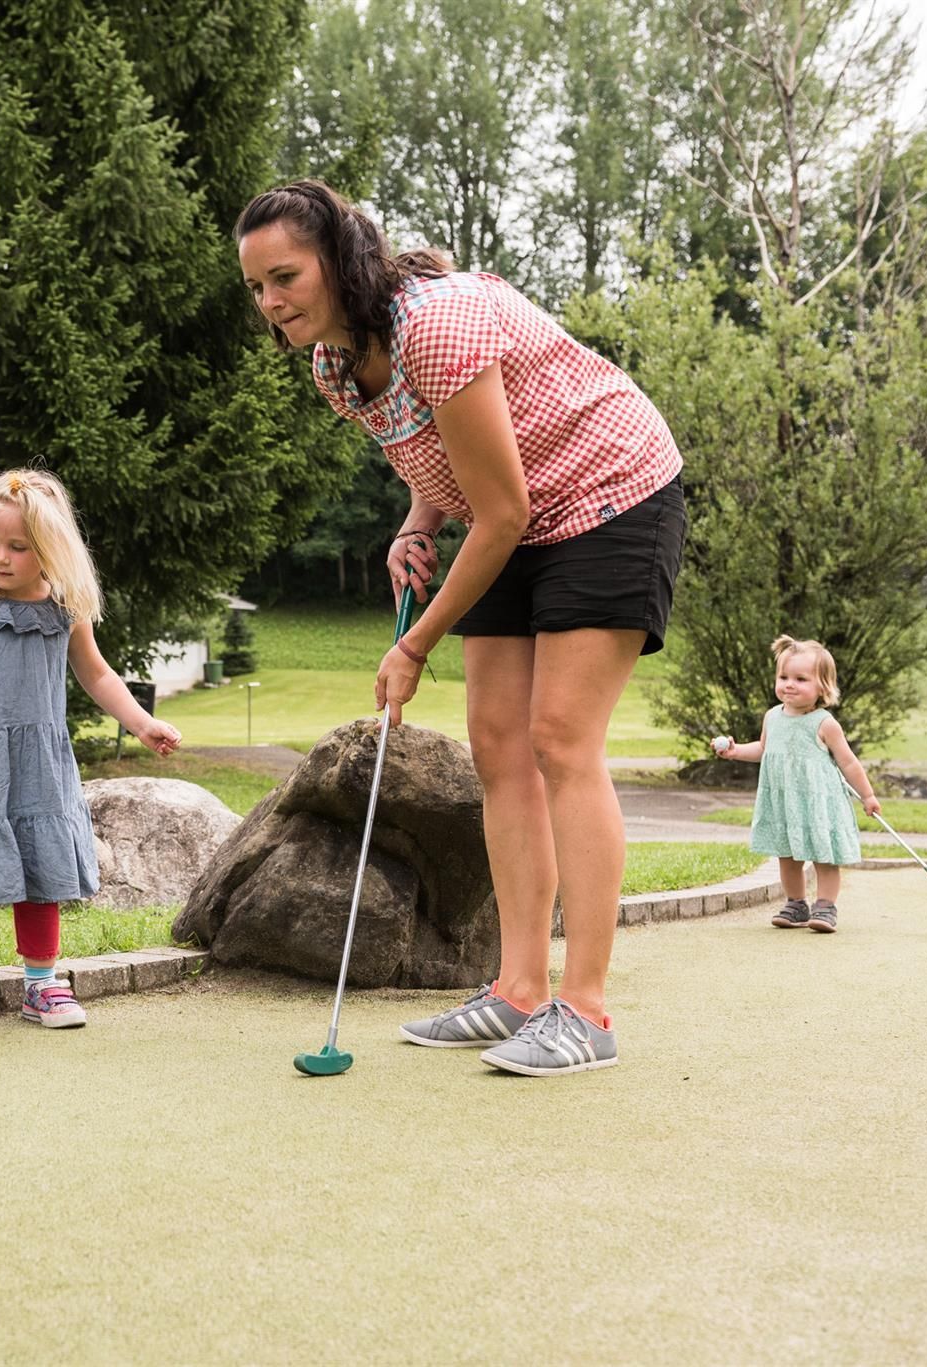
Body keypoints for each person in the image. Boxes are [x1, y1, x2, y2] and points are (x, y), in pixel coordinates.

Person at [235, 179, 686, 1077]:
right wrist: (415, 522)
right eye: (255, 288)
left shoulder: (434, 325)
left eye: (283, 277)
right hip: (514, 508)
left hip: (609, 493)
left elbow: (504, 506)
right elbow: (444, 458)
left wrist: (414, 643)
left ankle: (586, 1009)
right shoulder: (336, 366)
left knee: (559, 737)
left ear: (337, 260)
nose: (269, 303)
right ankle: (517, 989)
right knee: (497, 748)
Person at [0, 469, 180, 1036]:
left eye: (18, 547)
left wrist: (142, 722)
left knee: (40, 869)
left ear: (48, 549)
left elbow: (98, 676)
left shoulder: (65, 612)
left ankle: (41, 984)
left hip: (40, 764)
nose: (0, 557)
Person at [710, 635, 880, 933]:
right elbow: (764, 750)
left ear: (822, 687)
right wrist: (735, 752)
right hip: (783, 801)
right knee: (786, 855)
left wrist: (867, 795)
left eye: (800, 679)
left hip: (817, 802)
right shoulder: (772, 717)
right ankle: (796, 903)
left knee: (824, 855)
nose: (789, 684)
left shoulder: (824, 723)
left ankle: (825, 906)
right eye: (784, 677)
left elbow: (849, 762)